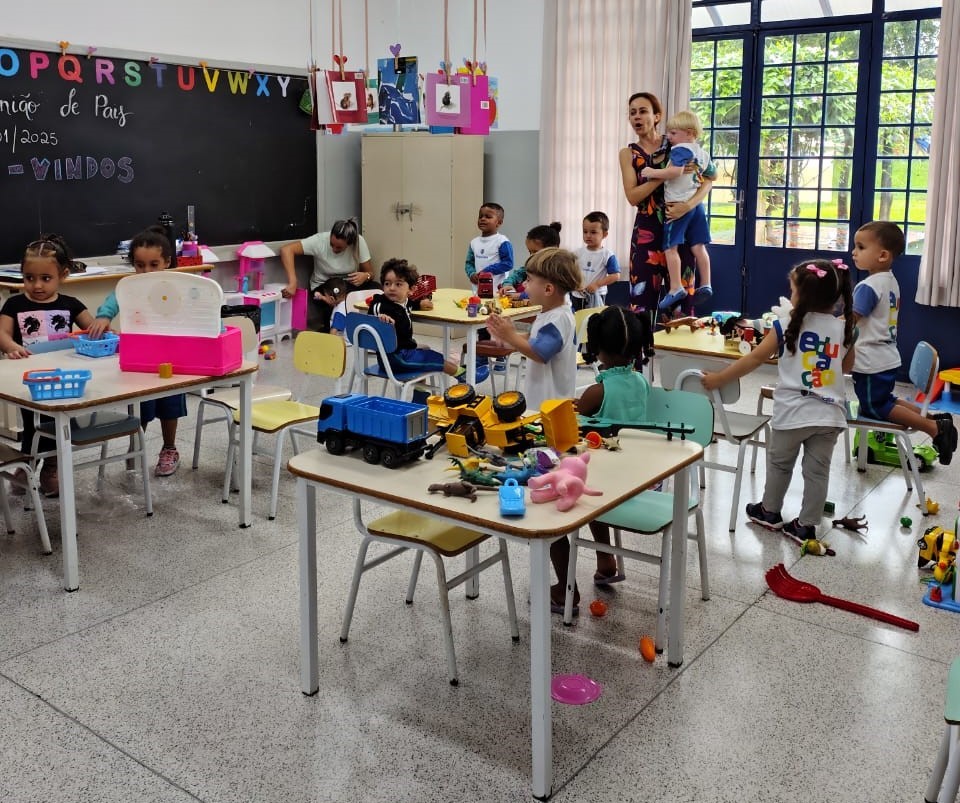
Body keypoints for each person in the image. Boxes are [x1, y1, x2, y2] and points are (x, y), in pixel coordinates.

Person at [701, 258, 856, 540]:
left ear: (803, 295)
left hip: (793, 414)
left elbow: (755, 358)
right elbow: (845, 368)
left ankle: (769, 512)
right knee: (818, 472)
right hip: (830, 414)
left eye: (793, 290)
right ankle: (806, 526)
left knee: (780, 464)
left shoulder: (784, 325)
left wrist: (719, 378)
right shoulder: (845, 329)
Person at [548, 306, 655, 613]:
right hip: (636, 476)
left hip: (605, 480)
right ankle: (606, 561)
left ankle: (565, 588)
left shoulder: (598, 390)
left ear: (598, 348)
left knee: (555, 511)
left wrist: (574, 407)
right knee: (594, 493)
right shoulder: (642, 382)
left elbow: (576, 422)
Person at [850, 220, 957, 464]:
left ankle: (934, 429)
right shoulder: (890, 281)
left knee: (875, 407)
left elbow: (849, 321)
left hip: (870, 361)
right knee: (885, 400)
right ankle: (933, 418)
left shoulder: (868, 286)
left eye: (861, 246)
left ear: (883, 255)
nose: (853, 252)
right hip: (886, 357)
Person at [87, 226, 188, 477]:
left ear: (166, 262)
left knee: (170, 405)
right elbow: (114, 299)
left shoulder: (176, 286)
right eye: (140, 265)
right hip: (141, 357)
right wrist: (103, 316)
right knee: (142, 406)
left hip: (171, 357)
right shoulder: (129, 286)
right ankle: (137, 448)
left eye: (154, 264)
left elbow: (194, 308)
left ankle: (169, 448)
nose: (146, 271)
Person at [0, 235, 96, 496]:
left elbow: (93, 329)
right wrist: (11, 346)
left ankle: (51, 466)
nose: (37, 285)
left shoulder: (71, 305)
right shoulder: (15, 304)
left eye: (45, 278)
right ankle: (29, 462)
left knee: (61, 424)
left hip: (65, 380)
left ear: (63, 275)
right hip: (30, 381)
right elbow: (2, 334)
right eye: (29, 278)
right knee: (32, 425)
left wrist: (101, 326)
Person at [619, 92, 714, 327]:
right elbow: (633, 196)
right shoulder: (628, 153)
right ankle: (639, 360)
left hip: (680, 224)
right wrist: (662, 177)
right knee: (641, 303)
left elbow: (710, 179)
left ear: (657, 116)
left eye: (643, 111)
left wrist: (687, 206)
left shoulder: (677, 141)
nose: (637, 117)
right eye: (632, 113)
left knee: (681, 306)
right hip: (646, 232)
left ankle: (675, 362)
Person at [485, 247, 580, 410]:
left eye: (529, 280)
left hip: (550, 406)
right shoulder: (550, 314)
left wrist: (510, 336)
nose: (523, 284)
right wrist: (509, 337)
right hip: (543, 401)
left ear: (548, 289)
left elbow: (539, 353)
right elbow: (533, 339)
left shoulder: (558, 318)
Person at [640, 110, 714, 310]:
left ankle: (675, 287)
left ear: (689, 133)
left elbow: (675, 172)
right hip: (696, 206)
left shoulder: (680, 149)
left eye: (673, 133)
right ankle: (706, 283)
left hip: (677, 206)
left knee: (669, 248)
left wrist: (652, 172)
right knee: (698, 247)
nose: (669, 137)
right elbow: (712, 175)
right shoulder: (703, 153)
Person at [368, 258, 464, 380]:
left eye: (398, 284)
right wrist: (378, 318)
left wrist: (420, 304)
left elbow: (409, 304)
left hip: (403, 352)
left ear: (411, 290)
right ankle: (461, 374)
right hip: (395, 359)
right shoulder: (381, 304)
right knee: (432, 357)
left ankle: (420, 393)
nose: (391, 288)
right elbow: (371, 315)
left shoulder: (403, 301)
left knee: (424, 349)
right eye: (387, 283)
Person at [279, 218, 379, 333]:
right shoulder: (319, 240)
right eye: (332, 245)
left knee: (377, 290)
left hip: (349, 285)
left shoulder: (359, 242)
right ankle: (332, 329)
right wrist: (293, 282)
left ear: (349, 244)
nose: (334, 249)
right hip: (324, 286)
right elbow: (286, 250)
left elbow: (371, 273)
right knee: (334, 298)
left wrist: (365, 276)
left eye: (339, 248)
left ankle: (367, 328)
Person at [571, 211, 621, 312]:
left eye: (593, 232)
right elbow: (570, 271)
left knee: (595, 321)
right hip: (578, 295)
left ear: (605, 234)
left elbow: (615, 275)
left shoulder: (607, 255)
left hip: (597, 295)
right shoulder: (577, 253)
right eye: (585, 232)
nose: (588, 235)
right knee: (579, 321)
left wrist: (597, 285)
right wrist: (575, 284)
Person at [464, 203, 514, 296]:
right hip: (477, 292)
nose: (483, 219)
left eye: (488, 217)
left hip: (498, 293)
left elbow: (508, 264)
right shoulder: (474, 242)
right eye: (480, 216)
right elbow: (469, 263)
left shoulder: (502, 241)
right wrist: (471, 274)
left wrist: (487, 271)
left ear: (499, 222)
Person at [501, 221, 562, 297]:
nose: (532, 256)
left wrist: (519, 296)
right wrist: (508, 284)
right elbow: (517, 275)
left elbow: (542, 295)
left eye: (536, 252)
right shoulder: (532, 265)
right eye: (530, 252)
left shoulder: (557, 271)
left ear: (553, 249)